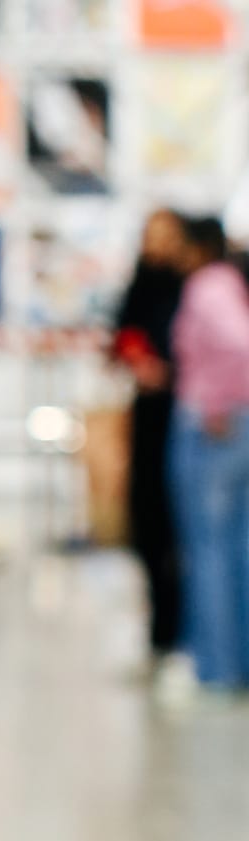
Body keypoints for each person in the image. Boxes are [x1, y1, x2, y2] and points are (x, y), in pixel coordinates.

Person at [166, 216, 249, 693]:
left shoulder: (209, 286)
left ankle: (216, 669)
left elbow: (239, 344)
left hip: (212, 425)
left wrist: (219, 401)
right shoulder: (230, 283)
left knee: (208, 549)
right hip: (233, 424)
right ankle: (235, 663)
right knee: (236, 546)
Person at [110, 209, 187, 666]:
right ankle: (159, 630)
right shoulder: (141, 286)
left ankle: (184, 632)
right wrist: (134, 359)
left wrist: (170, 374)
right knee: (149, 521)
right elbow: (122, 335)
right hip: (147, 417)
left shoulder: (191, 288)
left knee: (183, 530)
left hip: (185, 417)